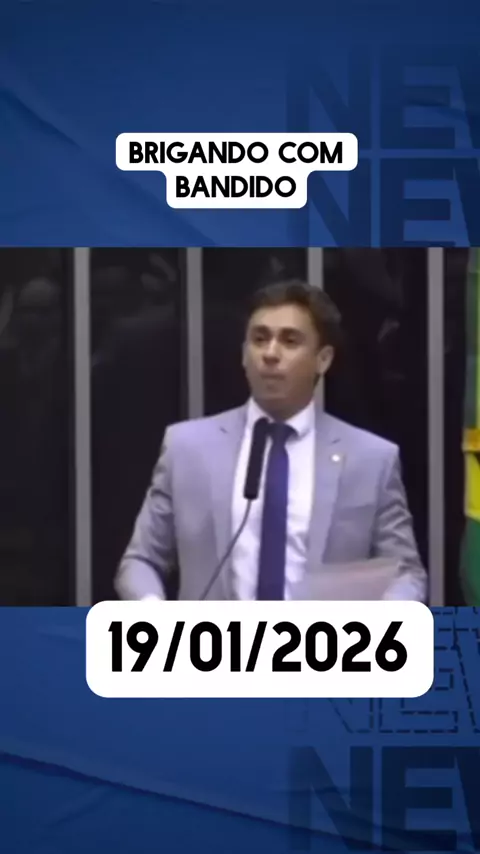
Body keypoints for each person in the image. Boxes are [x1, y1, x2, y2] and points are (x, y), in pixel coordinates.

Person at [115, 280, 427, 602]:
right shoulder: (187, 447)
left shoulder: (371, 459)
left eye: (290, 341)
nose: (270, 353)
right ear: (244, 354)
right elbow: (140, 561)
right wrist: (154, 612)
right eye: (259, 339)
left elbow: (406, 573)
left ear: (323, 359)